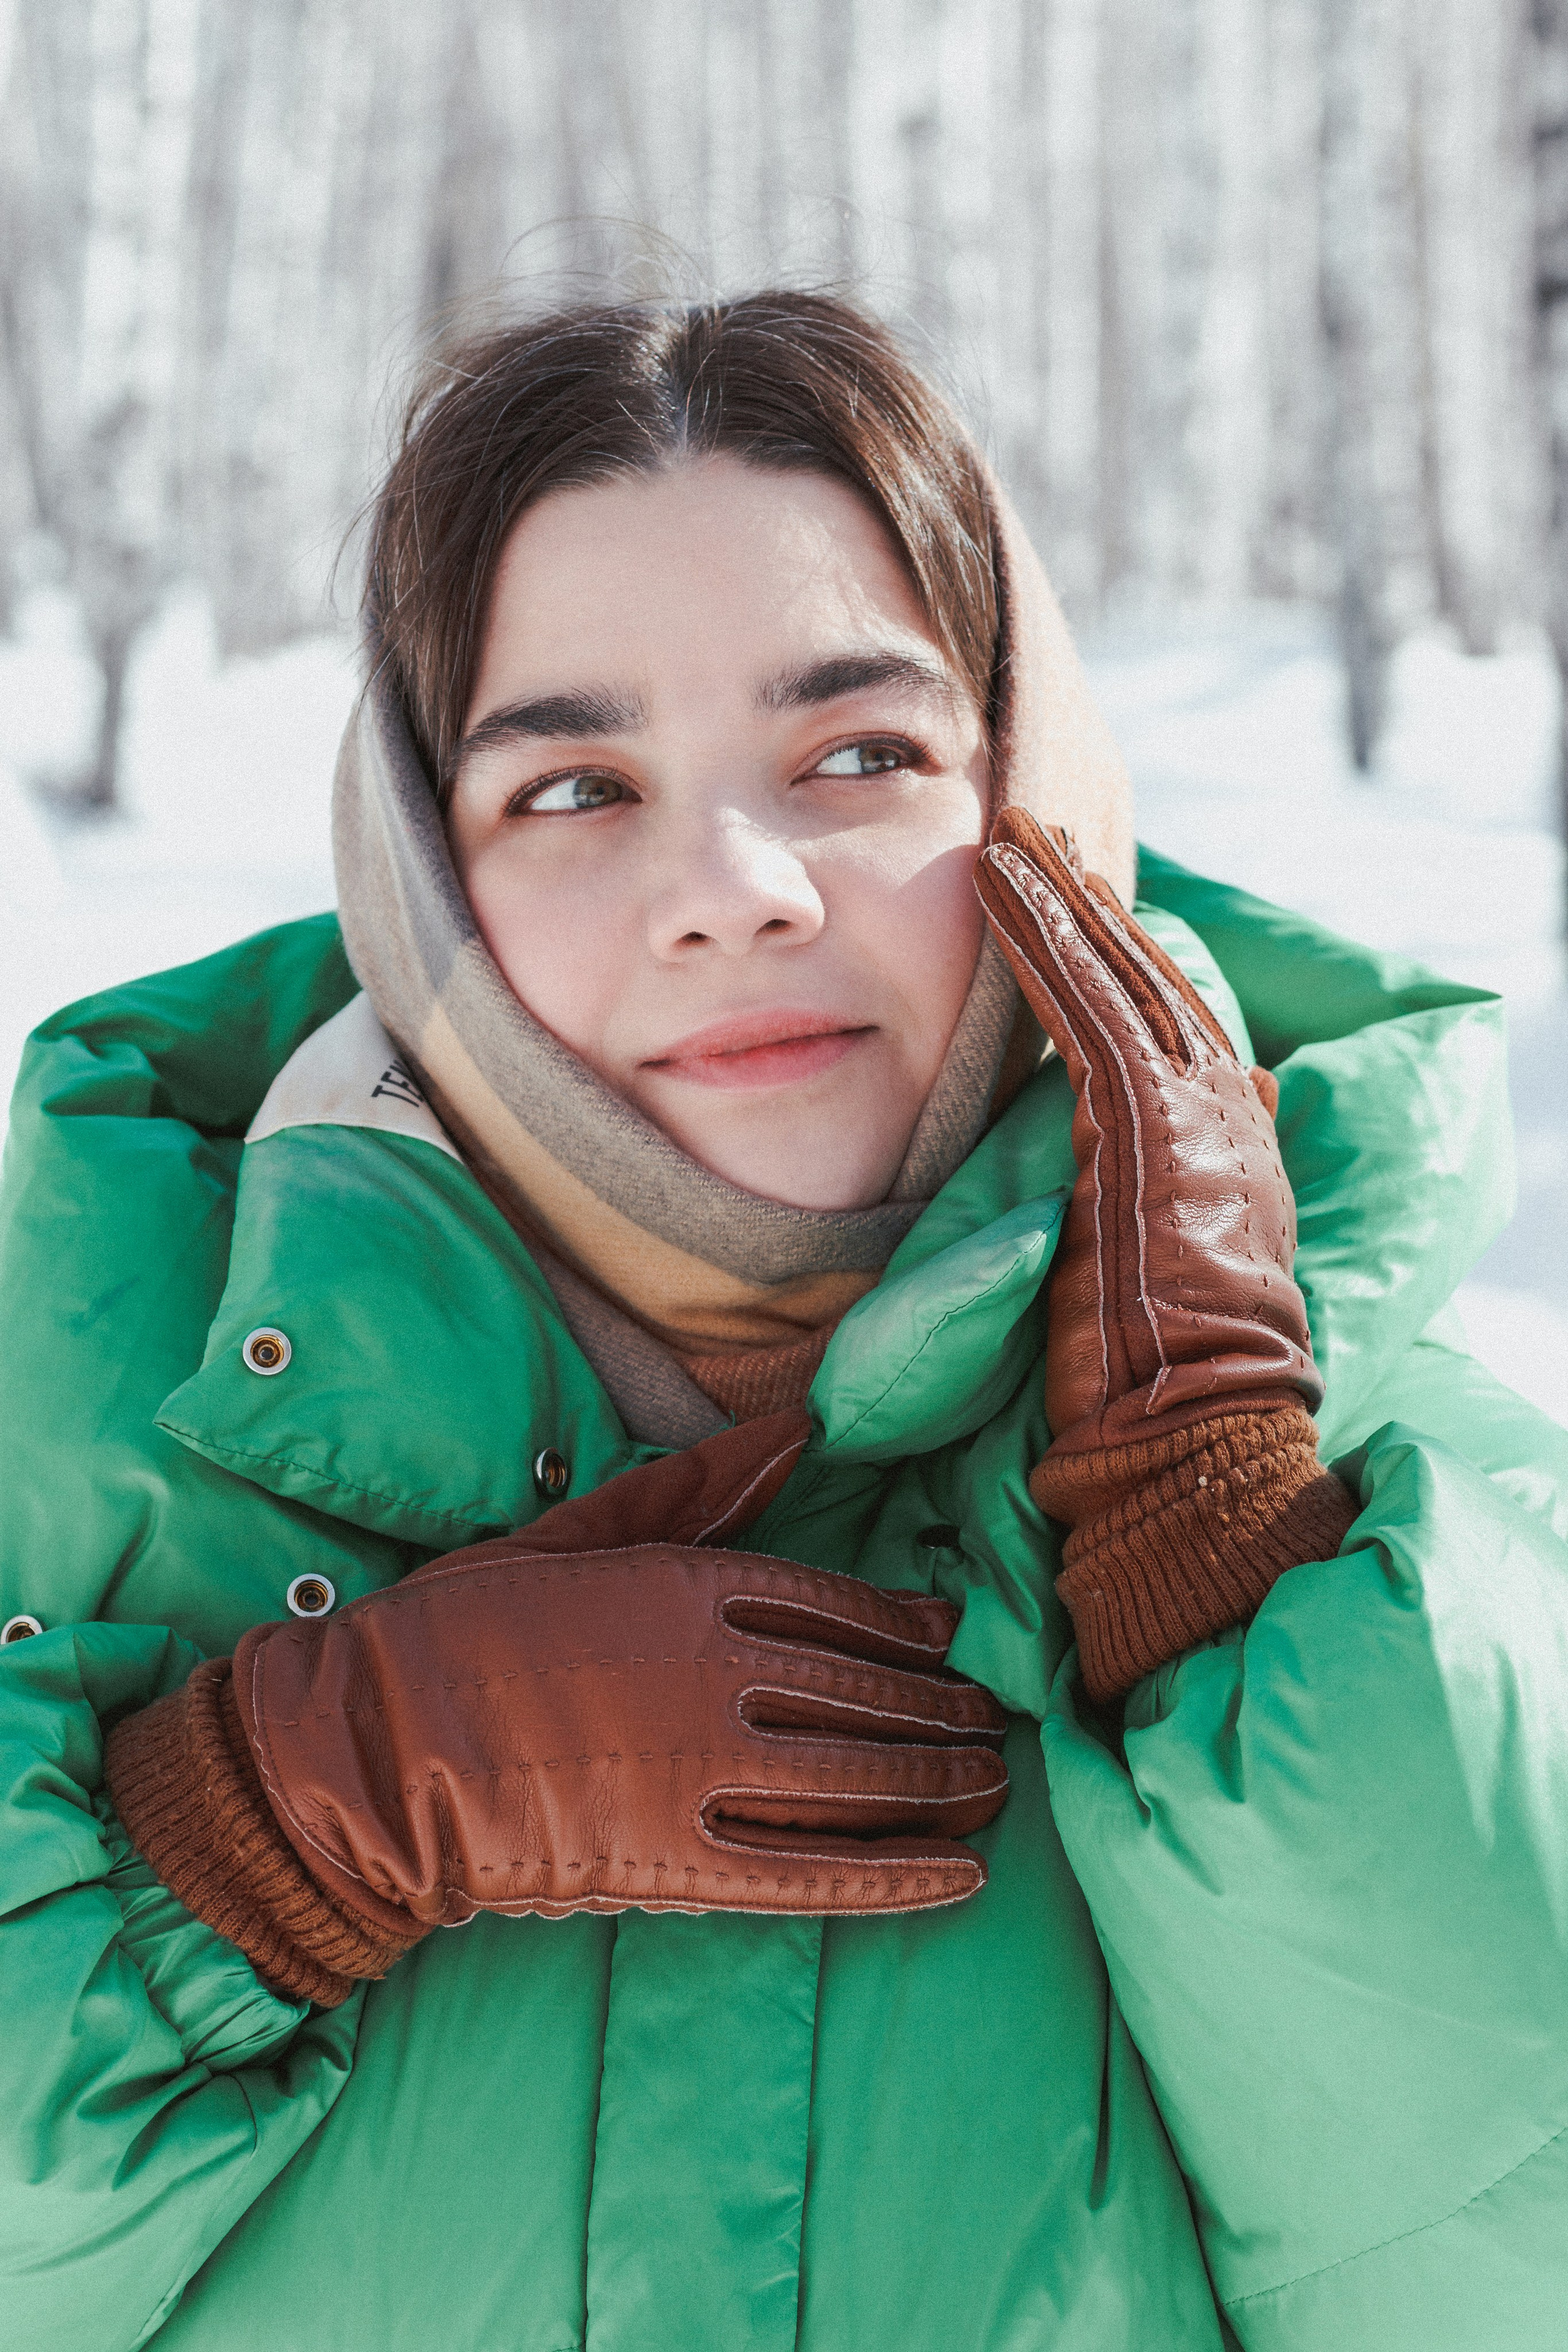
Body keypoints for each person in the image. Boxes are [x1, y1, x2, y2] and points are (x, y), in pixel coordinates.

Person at [2, 290, 1566, 2352]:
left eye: (859, 755)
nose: (735, 886)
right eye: (575, 786)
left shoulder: (1389, 1470)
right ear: (423, 874)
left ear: (1032, 795)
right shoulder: (94, 1398)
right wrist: (255, 1837)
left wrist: (1237, 1579)